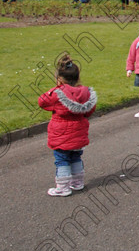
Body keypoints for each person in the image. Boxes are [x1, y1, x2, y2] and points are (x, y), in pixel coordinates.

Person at [38, 55, 97, 196]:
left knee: (62, 159)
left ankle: (63, 187)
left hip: (61, 134)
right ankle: (77, 182)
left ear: (59, 79)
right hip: (79, 132)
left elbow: (42, 101)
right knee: (76, 156)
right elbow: (89, 111)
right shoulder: (85, 92)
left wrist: (55, 88)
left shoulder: (57, 94)